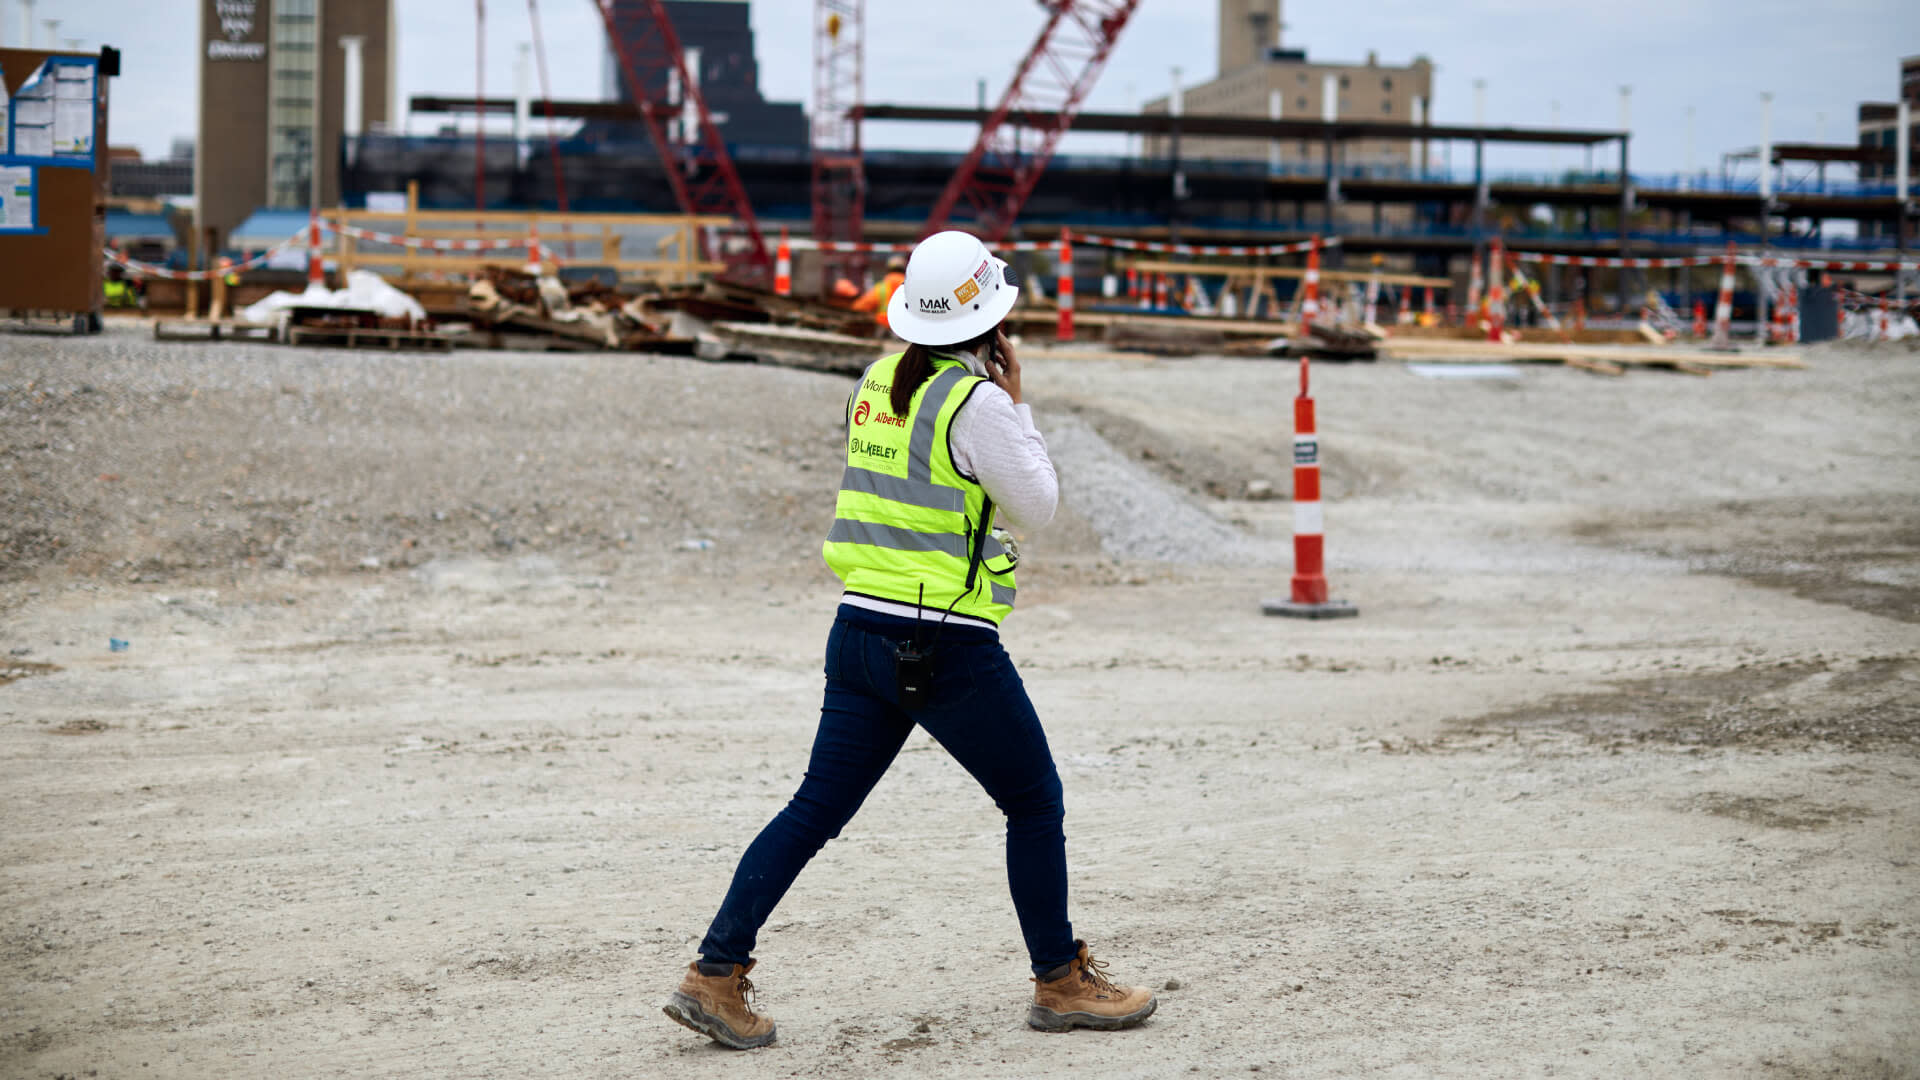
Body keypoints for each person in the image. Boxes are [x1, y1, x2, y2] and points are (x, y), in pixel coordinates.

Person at [663, 230, 1157, 1050]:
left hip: (858, 630)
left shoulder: (874, 383)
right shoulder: (979, 404)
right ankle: (1060, 982)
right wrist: (1019, 399)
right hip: (943, 644)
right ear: (990, 324)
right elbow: (1036, 506)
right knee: (1033, 801)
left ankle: (715, 974)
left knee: (813, 809)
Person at [849, 255, 908, 334]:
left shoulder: (881, 287)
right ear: (904, 269)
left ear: (888, 269)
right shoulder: (910, 287)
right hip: (905, 326)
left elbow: (859, 306)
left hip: (884, 325)